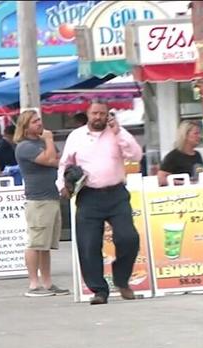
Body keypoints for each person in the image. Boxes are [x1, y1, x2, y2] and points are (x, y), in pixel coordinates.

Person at [58, 100, 142, 305]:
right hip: (89, 195)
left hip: (116, 194)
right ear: (88, 114)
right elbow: (65, 164)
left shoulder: (117, 134)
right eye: (94, 113)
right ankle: (99, 290)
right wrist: (62, 185)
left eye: (102, 114)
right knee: (88, 244)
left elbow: (136, 155)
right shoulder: (76, 136)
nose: (98, 117)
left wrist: (118, 132)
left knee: (128, 237)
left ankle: (122, 280)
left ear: (108, 115)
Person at [13, 110, 69, 298]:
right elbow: (50, 159)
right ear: (25, 126)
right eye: (35, 121)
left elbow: (60, 161)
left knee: (46, 245)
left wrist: (48, 146)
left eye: (39, 120)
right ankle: (33, 283)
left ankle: (47, 282)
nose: (39, 124)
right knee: (36, 242)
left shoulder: (40, 143)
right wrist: (50, 139)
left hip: (51, 196)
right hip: (38, 200)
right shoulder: (25, 146)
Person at [159, 121, 203, 186]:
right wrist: (184, 183)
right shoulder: (173, 156)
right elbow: (161, 179)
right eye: (196, 133)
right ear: (185, 135)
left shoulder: (197, 155)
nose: (200, 136)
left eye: (199, 133)